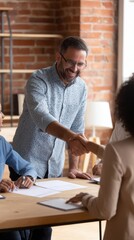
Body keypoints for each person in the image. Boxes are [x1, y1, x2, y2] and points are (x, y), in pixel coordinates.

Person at [9, 36, 91, 240]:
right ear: (58, 57)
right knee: (20, 226)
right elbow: (41, 117)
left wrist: (73, 167)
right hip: (24, 162)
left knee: (44, 227)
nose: (75, 68)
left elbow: (77, 128)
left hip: (53, 168)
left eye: (80, 63)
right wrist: (71, 137)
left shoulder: (81, 88)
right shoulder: (38, 79)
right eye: (71, 61)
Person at [67, 73, 134, 240]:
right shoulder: (117, 152)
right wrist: (92, 147)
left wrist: (85, 198)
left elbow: (106, 210)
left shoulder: (118, 151)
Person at [0, 105, 37, 240]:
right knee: (13, 235)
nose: (3, 115)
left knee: (43, 229)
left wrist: (28, 177)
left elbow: (28, 167)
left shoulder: (2, 143)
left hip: (4, 207)